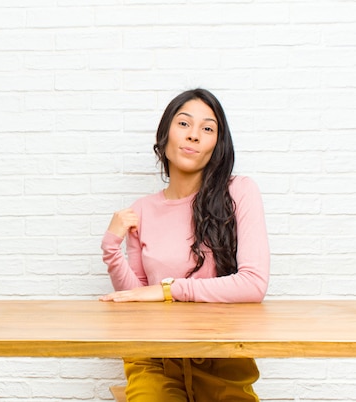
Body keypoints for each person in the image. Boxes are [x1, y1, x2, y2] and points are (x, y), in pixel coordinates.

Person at [99, 88, 270, 402]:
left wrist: (168, 289)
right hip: (154, 356)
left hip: (222, 356)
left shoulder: (240, 192)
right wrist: (111, 248)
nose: (193, 136)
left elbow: (254, 284)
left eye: (207, 129)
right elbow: (135, 296)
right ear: (164, 136)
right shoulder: (142, 210)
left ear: (216, 146)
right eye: (184, 124)